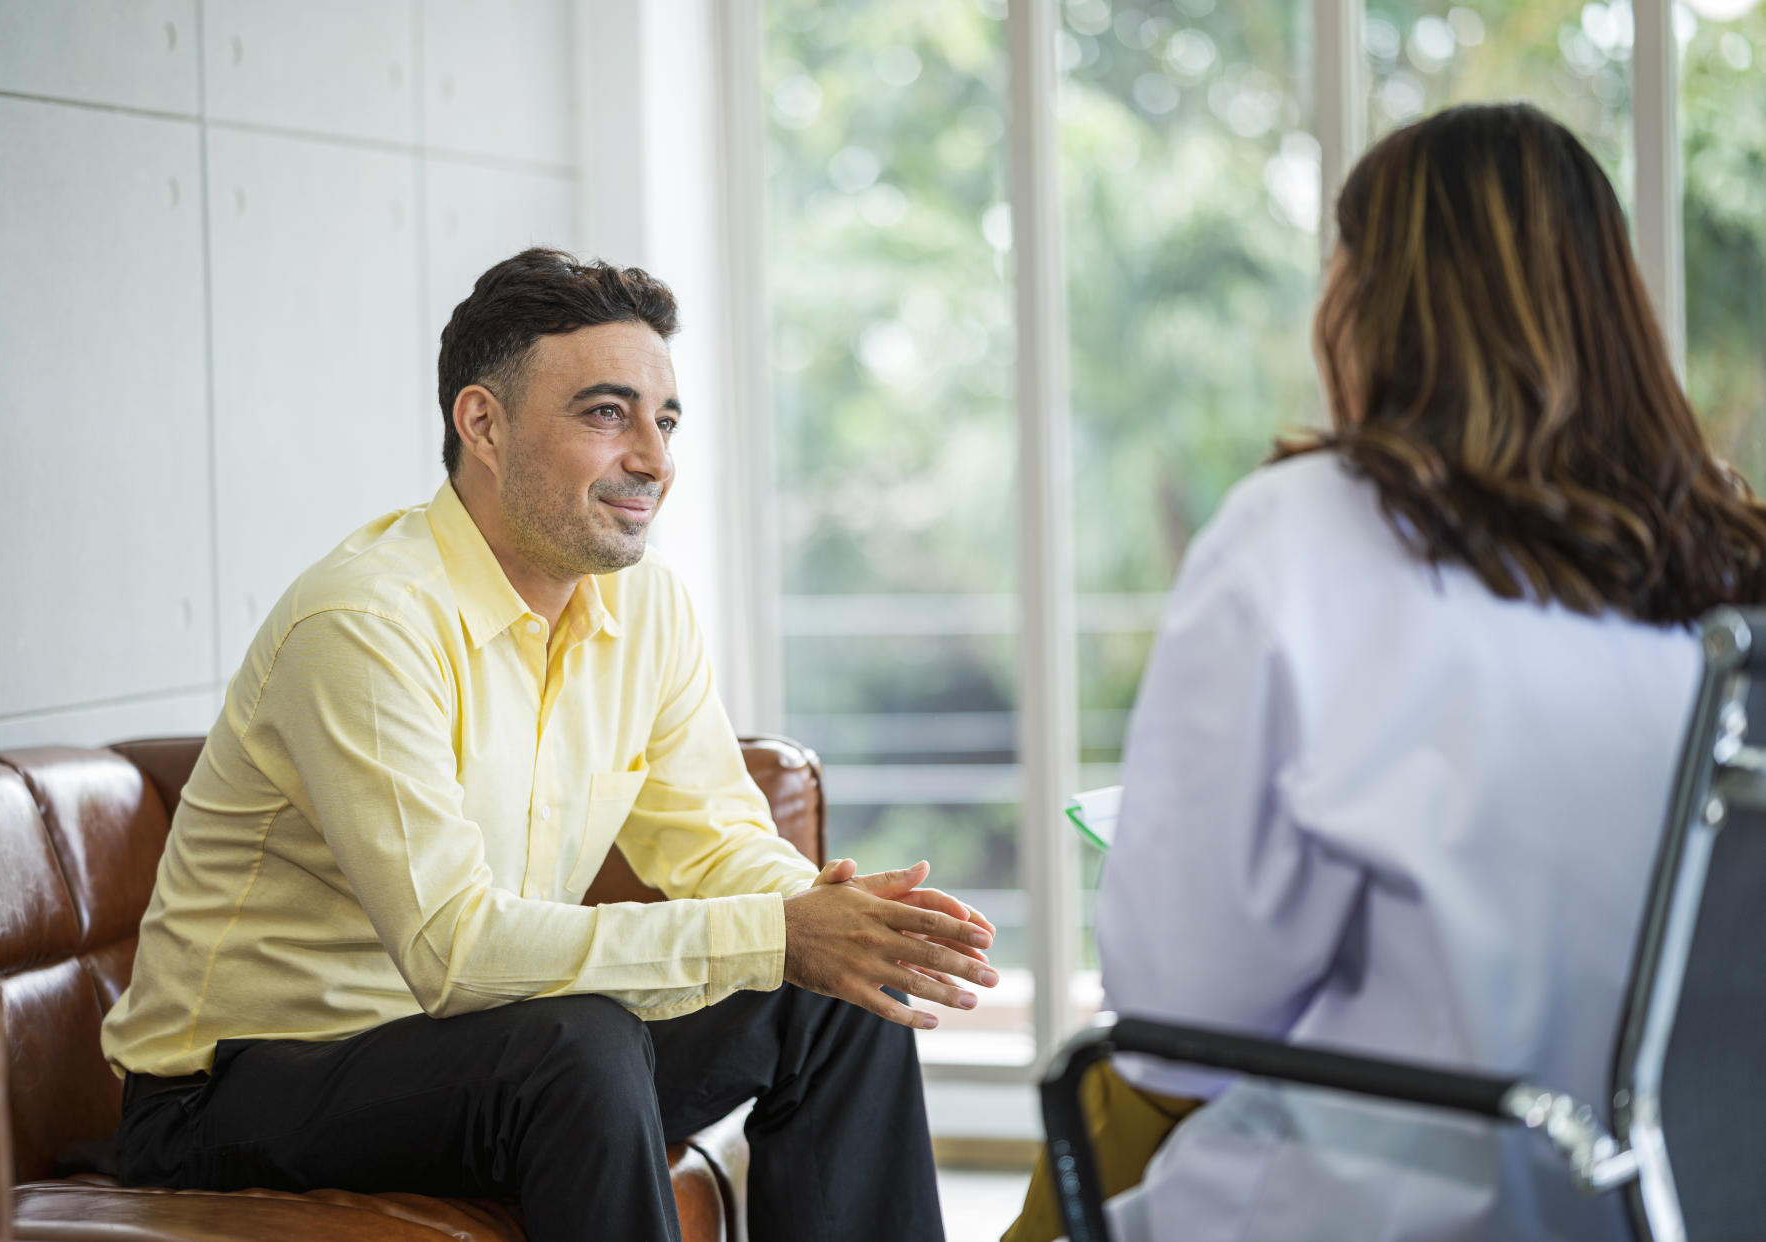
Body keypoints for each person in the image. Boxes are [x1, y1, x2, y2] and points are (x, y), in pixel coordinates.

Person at [101, 248, 1000, 1241]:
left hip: (480, 1056)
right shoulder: (365, 621)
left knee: (833, 997)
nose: (653, 459)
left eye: (664, 420)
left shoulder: (645, 605)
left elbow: (709, 844)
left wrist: (824, 916)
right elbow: (456, 953)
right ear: (481, 423)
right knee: (579, 1042)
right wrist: (777, 934)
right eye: (606, 414)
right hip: (236, 1089)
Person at [1032, 103, 1766, 1241]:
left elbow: (1179, 1028)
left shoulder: (1305, 532)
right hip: (1679, 1205)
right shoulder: (1732, 558)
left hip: (1378, 1212)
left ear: (1368, 300)